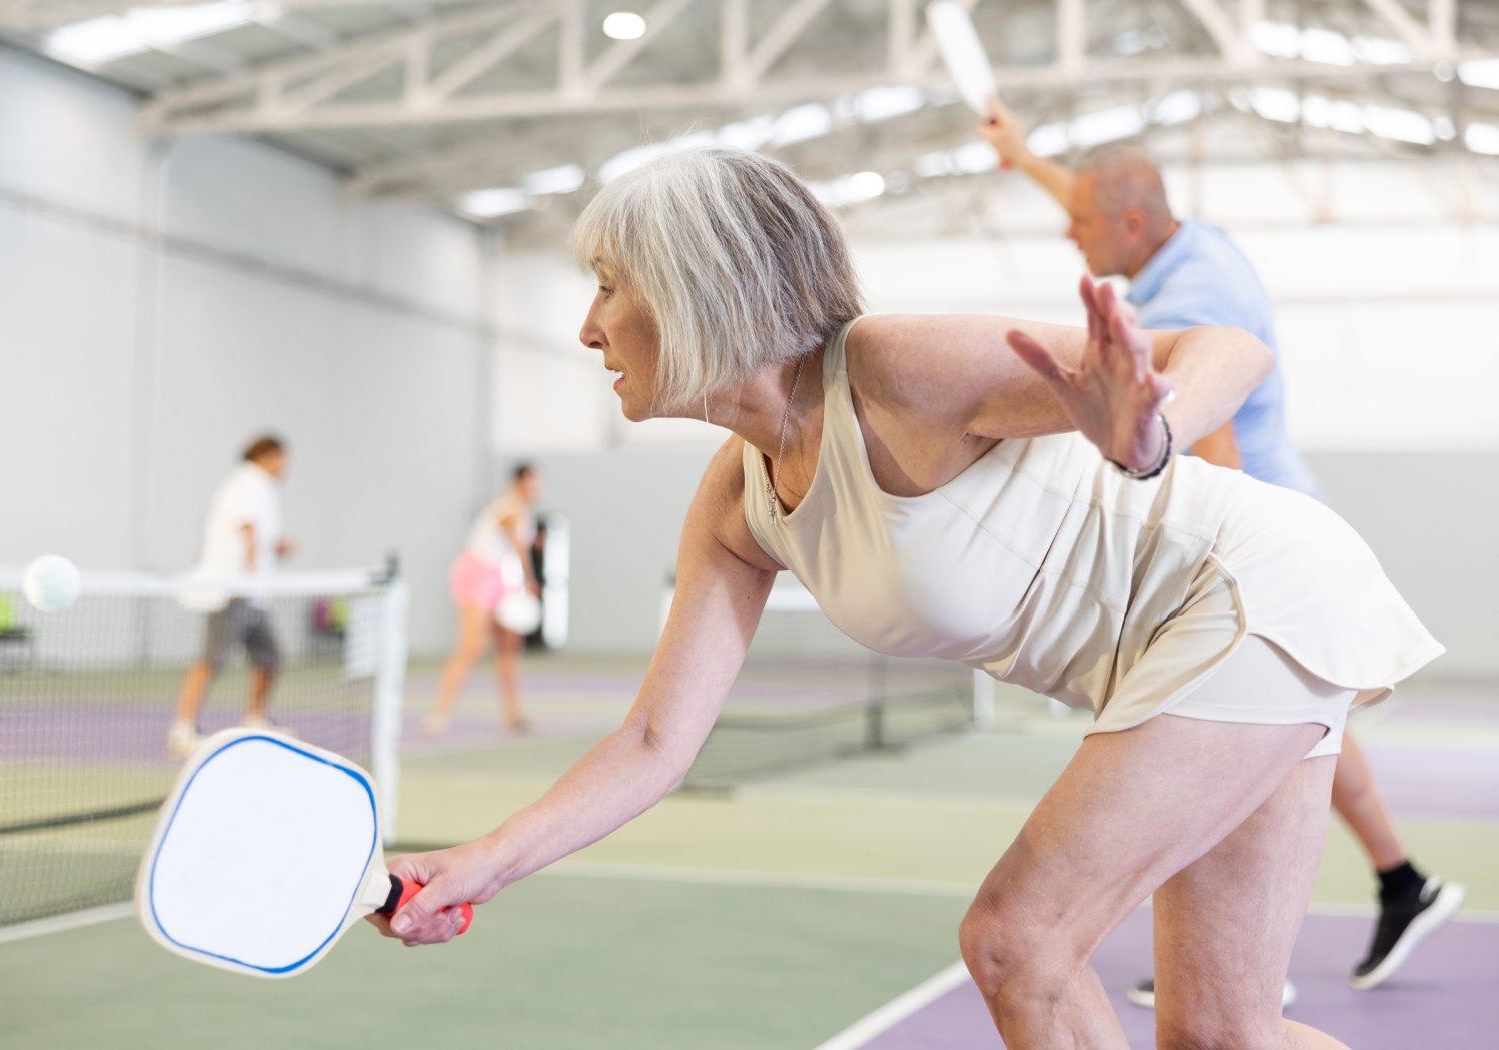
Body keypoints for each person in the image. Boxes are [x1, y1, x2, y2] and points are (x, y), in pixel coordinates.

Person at [372, 147, 1443, 1050]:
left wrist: (1148, 433)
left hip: (1252, 591)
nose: (587, 327)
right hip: (1203, 639)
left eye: (609, 285)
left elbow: (1230, 349)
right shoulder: (737, 504)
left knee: (1016, 940)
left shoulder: (890, 371)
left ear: (701, 283)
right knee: (1221, 1040)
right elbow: (656, 740)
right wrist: (481, 865)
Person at [977, 97, 1464, 999]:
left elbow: (1217, 449)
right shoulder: (1190, 240)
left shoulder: (1195, 299)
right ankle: (1398, 884)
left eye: (1078, 224)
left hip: (1260, 541)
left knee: (1203, 737)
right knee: (1300, 735)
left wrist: (1190, 570)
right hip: (1295, 527)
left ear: (1128, 224)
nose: (1068, 237)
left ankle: (1242, 962)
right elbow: (1098, 203)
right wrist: (1026, 155)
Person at [168, 434, 295, 760]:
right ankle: (182, 729)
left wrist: (276, 547)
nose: (285, 465)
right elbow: (248, 530)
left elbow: (259, 535)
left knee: (270, 658)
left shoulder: (263, 490)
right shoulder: (244, 486)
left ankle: (254, 719)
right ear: (266, 456)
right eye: (281, 458)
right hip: (234, 591)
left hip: (254, 594)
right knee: (212, 659)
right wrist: (248, 578)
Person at [423, 464, 543, 737]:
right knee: (471, 647)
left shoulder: (521, 510)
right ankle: (438, 716)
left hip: (499, 578)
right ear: (521, 481)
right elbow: (518, 546)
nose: (538, 489)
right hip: (477, 573)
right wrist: (529, 581)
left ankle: (512, 715)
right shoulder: (512, 508)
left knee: (508, 647)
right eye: (534, 482)